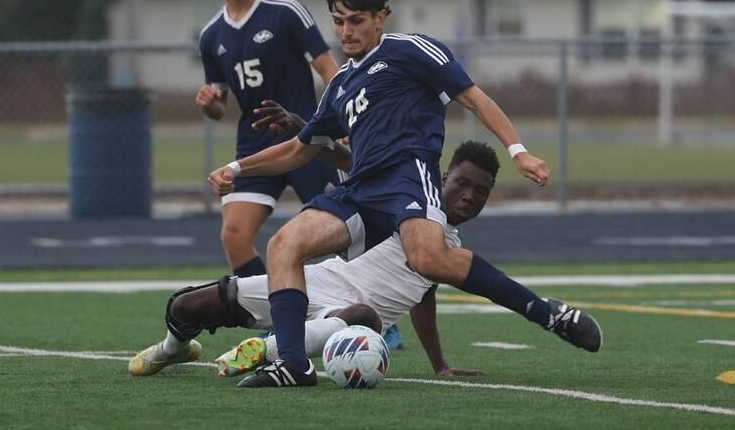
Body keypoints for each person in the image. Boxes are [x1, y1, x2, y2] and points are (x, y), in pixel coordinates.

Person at [207, 0, 602, 387]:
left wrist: (518, 151)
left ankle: (548, 313)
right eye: (339, 21)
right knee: (284, 245)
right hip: (359, 189)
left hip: (407, 178)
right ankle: (293, 365)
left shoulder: (409, 50)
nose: (346, 31)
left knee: (429, 260)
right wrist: (236, 169)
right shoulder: (340, 84)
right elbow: (298, 149)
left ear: (381, 18)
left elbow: (473, 97)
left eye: (356, 20)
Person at [129, 140, 506, 380]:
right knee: (186, 304)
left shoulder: (449, 253)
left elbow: (425, 296)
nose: (470, 195)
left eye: (481, 191)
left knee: (364, 318)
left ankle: (269, 351)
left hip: (349, 319)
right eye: (463, 183)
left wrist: (440, 364)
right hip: (307, 285)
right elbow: (355, 160)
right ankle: (172, 349)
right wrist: (312, 136)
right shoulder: (405, 205)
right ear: (444, 177)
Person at [195, 0, 340, 277]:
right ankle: (271, 317)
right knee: (234, 236)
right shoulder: (211, 36)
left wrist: (340, 123)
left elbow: (329, 70)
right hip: (255, 144)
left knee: (344, 231)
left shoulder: (285, 12)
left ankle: (377, 321)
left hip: (306, 137)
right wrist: (208, 103)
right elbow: (219, 108)